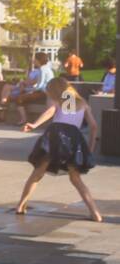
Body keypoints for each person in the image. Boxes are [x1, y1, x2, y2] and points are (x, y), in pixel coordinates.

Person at [16, 77, 103, 222]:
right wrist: (90, 148)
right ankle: (95, 213)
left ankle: (20, 206)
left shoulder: (57, 100)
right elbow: (94, 126)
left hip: (56, 135)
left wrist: (34, 124)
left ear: (55, 90)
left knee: (37, 173)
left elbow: (50, 112)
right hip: (73, 137)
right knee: (76, 179)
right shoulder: (83, 103)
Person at [0, 52, 53, 125]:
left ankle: (23, 120)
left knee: (19, 99)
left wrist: (28, 90)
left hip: (43, 93)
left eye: (35, 59)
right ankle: (7, 111)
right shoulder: (46, 69)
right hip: (43, 91)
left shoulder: (42, 69)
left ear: (38, 60)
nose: (33, 61)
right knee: (16, 97)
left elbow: (40, 86)